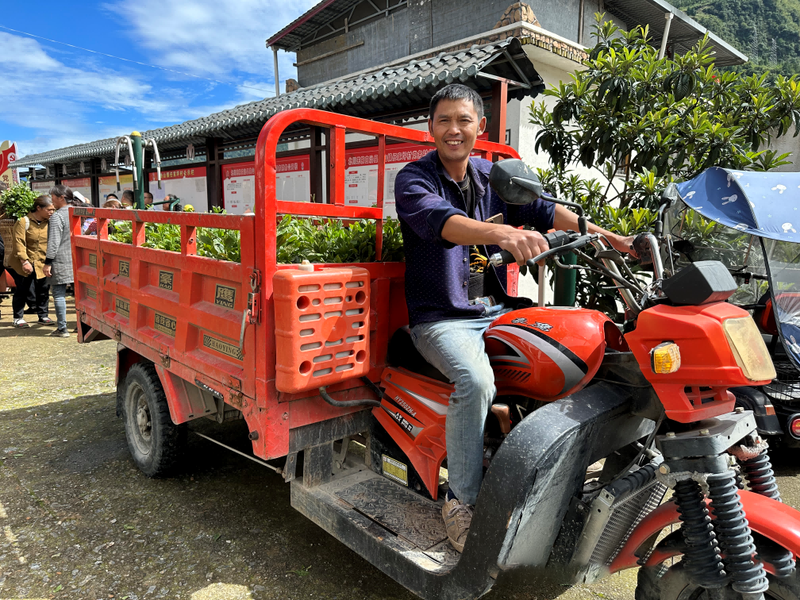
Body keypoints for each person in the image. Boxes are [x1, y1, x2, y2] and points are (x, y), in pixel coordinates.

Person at [394, 84, 635, 553]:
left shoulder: (491, 177)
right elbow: (442, 223)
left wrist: (613, 237)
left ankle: (546, 466)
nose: (453, 130)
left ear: (480, 128)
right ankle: (461, 500)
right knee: (476, 382)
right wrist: (501, 233)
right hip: (442, 318)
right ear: (431, 128)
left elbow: (546, 210)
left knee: (576, 351)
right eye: (444, 121)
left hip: (496, 309)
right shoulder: (414, 179)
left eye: (463, 121)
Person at [7, 195, 56, 328]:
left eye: (53, 209)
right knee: (23, 289)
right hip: (23, 262)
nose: (52, 212)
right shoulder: (24, 221)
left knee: (43, 289)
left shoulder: (50, 222)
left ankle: (43, 315)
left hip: (42, 262)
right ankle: (18, 317)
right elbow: (19, 243)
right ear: (38, 208)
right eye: (49, 209)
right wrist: (24, 261)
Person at [43, 185, 74, 338]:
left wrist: (47, 262)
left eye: (53, 196)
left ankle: (62, 328)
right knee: (81, 294)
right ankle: (83, 326)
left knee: (58, 293)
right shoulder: (77, 212)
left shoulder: (57, 216)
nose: (51, 200)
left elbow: (54, 242)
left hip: (61, 259)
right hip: (77, 258)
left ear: (62, 197)